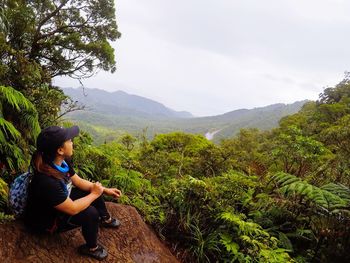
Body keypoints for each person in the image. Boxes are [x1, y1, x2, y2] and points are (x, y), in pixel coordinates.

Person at [24, 125, 122, 261]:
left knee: (92, 190)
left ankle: (105, 219)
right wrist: (94, 194)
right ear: (60, 150)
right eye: (69, 140)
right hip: (46, 222)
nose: (72, 142)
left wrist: (104, 190)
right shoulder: (46, 181)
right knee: (91, 213)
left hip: (58, 201)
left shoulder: (61, 161)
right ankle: (92, 248)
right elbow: (72, 209)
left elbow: (78, 181)